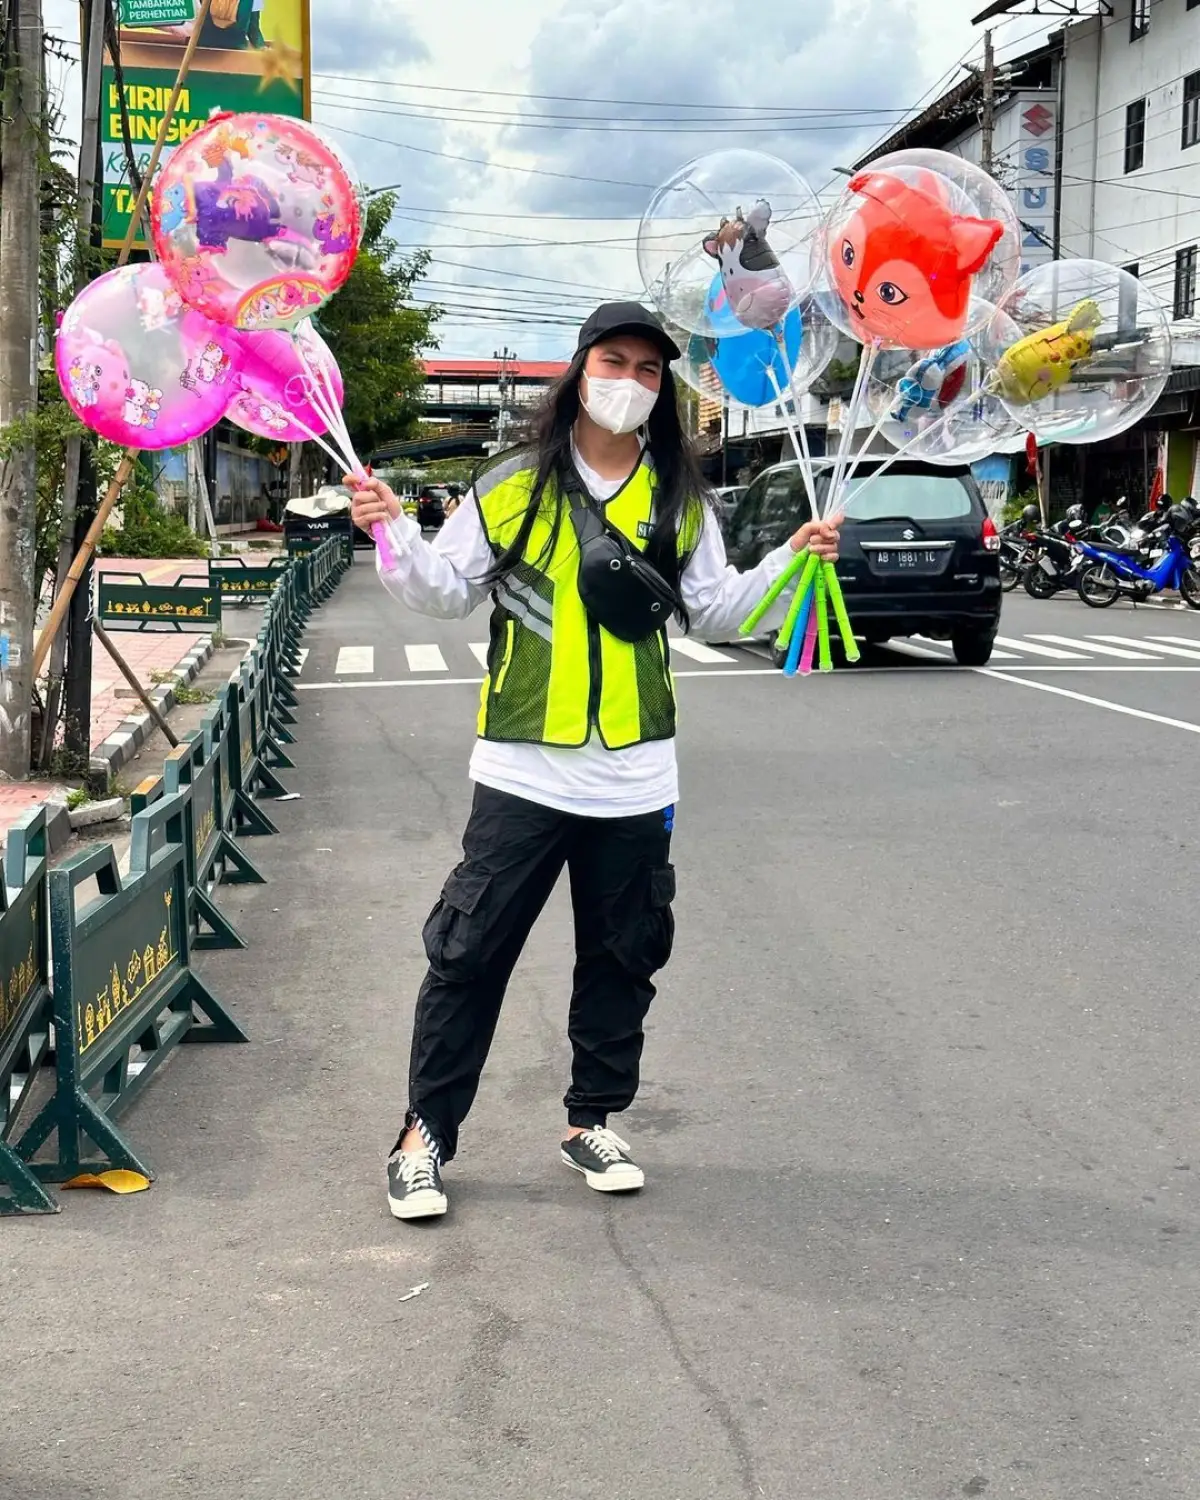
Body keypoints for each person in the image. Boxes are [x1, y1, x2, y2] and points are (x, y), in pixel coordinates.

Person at [349, 301, 841, 1223]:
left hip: (636, 774)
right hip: (523, 769)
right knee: (469, 953)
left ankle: (591, 1120)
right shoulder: (511, 484)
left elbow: (718, 612)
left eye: (650, 371)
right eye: (615, 362)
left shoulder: (678, 497)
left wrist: (791, 559)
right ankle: (423, 1136)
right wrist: (391, 532)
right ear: (579, 372)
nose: (631, 382)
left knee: (623, 955)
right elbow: (445, 592)